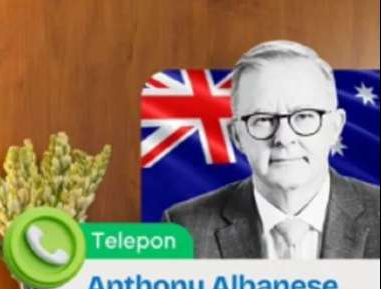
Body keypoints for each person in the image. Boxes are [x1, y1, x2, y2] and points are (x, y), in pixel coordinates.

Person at [163, 40, 380, 259]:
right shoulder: (183, 229)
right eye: (263, 119)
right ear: (237, 135)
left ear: (335, 126)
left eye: (304, 116)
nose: (284, 138)